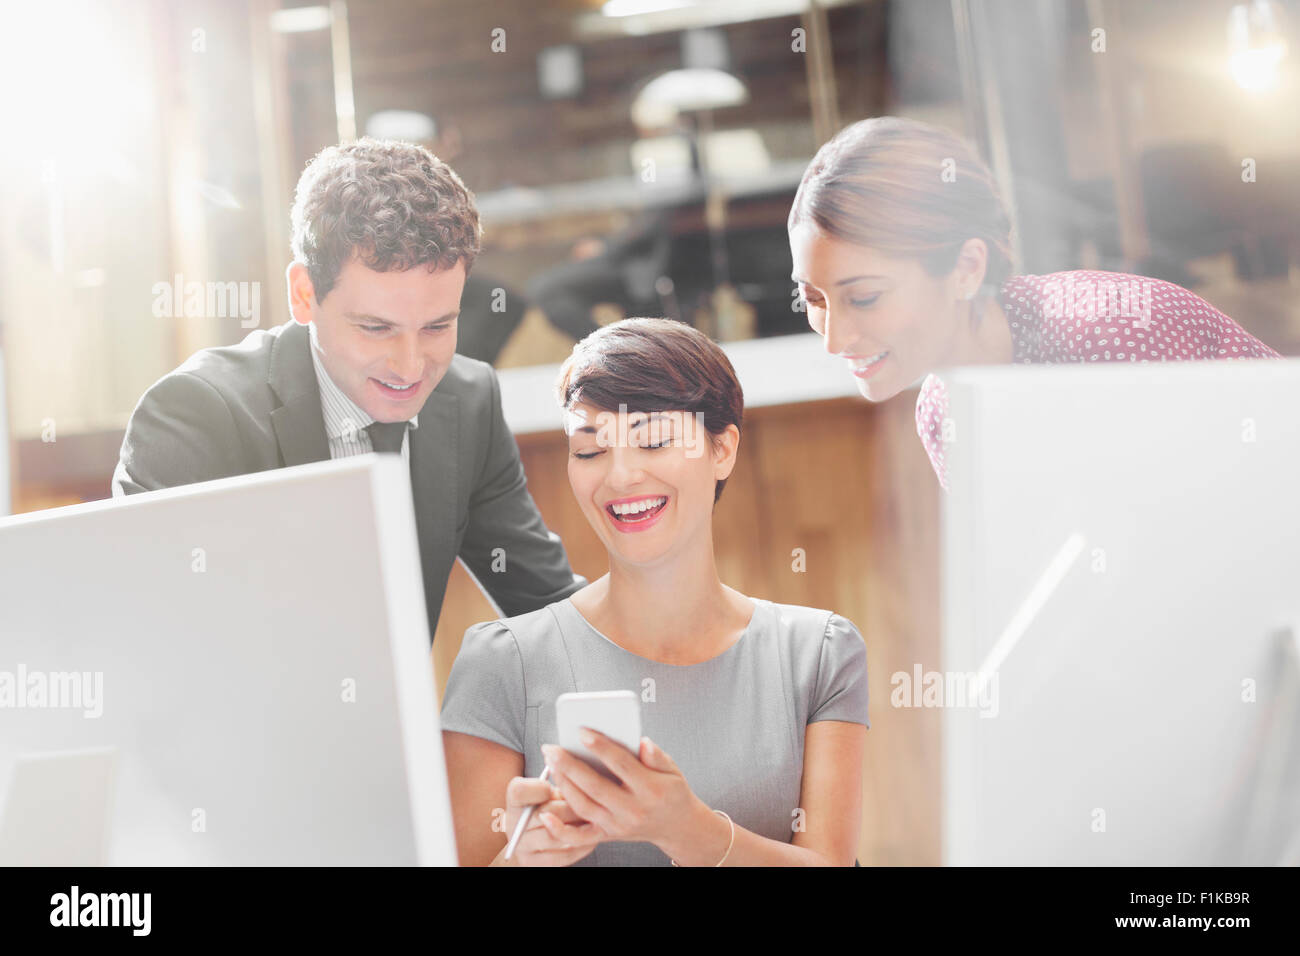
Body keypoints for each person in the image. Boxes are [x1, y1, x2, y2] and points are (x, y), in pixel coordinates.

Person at [112, 138, 585, 640]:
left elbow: (549, 607)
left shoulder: (468, 402)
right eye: (375, 328)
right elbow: (151, 644)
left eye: (436, 327)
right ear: (303, 295)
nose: (409, 367)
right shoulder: (195, 415)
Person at [439, 318, 869, 866]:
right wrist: (522, 861)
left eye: (654, 441)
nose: (620, 478)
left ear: (722, 449)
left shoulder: (817, 653)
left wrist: (683, 828)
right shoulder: (501, 662)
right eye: (590, 451)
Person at [788, 116, 1282, 490]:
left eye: (865, 297)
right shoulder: (943, 414)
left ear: (966, 268)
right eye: (810, 298)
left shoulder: (1108, 335)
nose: (834, 339)